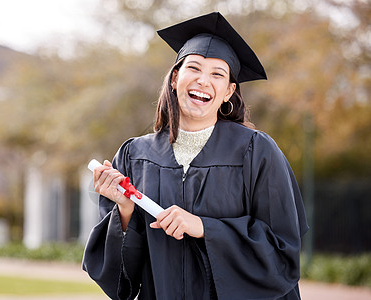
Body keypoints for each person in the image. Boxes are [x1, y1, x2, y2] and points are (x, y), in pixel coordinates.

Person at [83, 12, 309, 300]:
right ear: (175, 78)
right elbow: (123, 280)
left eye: (217, 74)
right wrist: (125, 211)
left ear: (228, 92)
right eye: (194, 68)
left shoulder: (256, 151)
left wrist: (204, 228)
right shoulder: (134, 155)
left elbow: (281, 254)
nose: (203, 80)